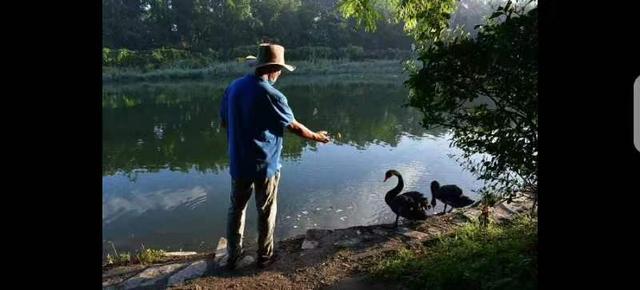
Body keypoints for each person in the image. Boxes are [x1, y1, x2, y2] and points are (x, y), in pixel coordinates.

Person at [219, 43, 330, 270]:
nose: (280, 74)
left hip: (239, 161)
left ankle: (232, 255)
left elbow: (224, 121)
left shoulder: (233, 87)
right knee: (266, 210)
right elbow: (295, 127)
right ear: (273, 69)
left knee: (236, 208)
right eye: (280, 70)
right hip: (265, 166)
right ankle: (265, 256)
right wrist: (318, 137)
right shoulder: (272, 94)